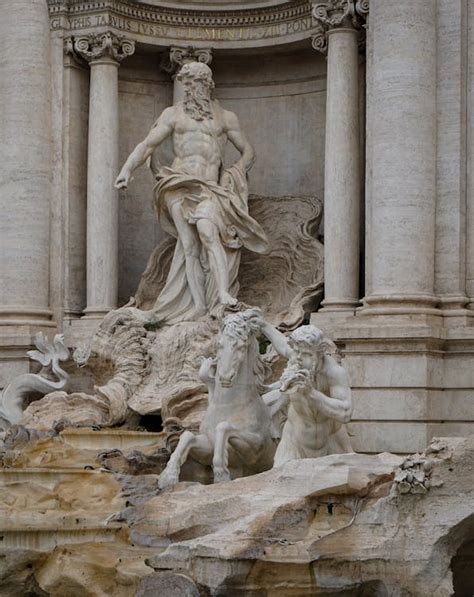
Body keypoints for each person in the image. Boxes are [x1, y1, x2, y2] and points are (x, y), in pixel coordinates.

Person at [115, 61, 268, 323]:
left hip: (210, 187)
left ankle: (221, 294)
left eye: (194, 83)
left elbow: (248, 151)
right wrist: (126, 171)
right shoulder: (172, 115)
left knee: (209, 232)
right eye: (186, 84)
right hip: (177, 183)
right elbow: (147, 145)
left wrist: (236, 173)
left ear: (207, 85)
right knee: (188, 246)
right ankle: (198, 305)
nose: (190, 89)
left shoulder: (226, 117)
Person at [256, 318, 354, 465]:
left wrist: (311, 394)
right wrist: (262, 324)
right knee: (280, 484)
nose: (298, 358)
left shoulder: (334, 372)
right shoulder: (297, 359)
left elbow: (345, 413)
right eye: (296, 352)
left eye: (306, 354)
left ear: (320, 353)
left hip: (330, 442)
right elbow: (282, 344)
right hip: (293, 442)